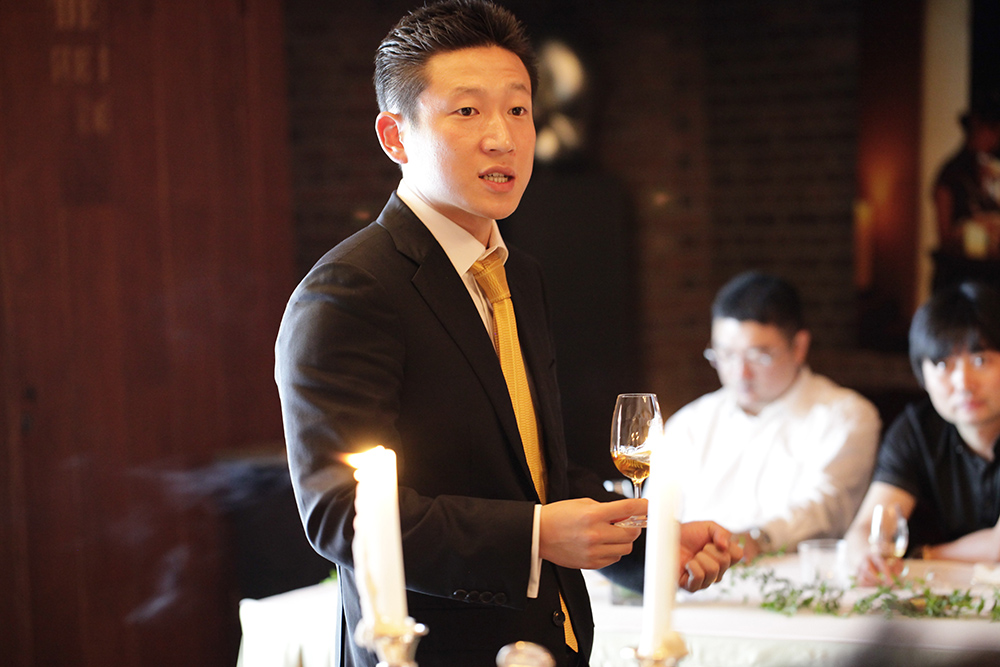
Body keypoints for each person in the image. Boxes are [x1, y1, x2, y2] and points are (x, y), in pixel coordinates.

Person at [274, 2, 741, 666]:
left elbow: (532, 471)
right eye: (467, 111)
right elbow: (341, 514)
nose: (503, 138)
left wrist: (650, 547)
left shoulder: (519, 274)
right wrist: (535, 536)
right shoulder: (351, 290)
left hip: (551, 641)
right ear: (395, 136)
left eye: (518, 109)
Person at [664, 271, 882, 561]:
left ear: (799, 347)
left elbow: (827, 507)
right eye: (725, 354)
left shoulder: (845, 416)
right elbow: (660, 512)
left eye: (758, 355)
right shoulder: (690, 422)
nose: (740, 372)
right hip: (692, 574)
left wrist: (756, 539)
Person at [845, 281, 1000, 585]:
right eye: (943, 364)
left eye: (980, 360)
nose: (963, 383)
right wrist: (867, 556)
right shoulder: (916, 429)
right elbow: (868, 527)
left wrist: (924, 555)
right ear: (922, 374)